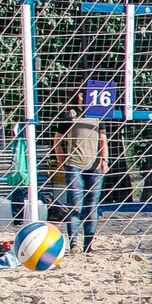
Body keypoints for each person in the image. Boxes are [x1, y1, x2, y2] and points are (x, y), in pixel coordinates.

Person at [52, 100, 108, 253]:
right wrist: (63, 162)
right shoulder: (69, 115)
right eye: (82, 93)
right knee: (76, 205)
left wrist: (104, 160)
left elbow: (103, 139)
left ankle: (88, 246)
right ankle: (74, 244)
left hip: (95, 167)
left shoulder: (98, 114)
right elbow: (57, 140)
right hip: (74, 166)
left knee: (92, 207)